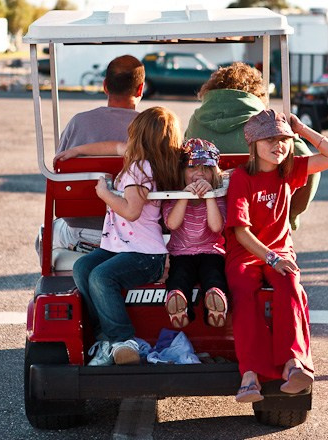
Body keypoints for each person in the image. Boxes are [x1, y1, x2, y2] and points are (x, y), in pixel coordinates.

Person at [225, 109, 328, 403]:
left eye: (283, 140)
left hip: (279, 252)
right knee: (243, 293)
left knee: (291, 286)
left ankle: (294, 365)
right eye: (270, 140)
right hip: (247, 254)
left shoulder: (288, 170)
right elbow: (240, 232)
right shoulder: (242, 177)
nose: (279, 146)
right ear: (253, 144)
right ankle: (249, 374)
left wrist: (302, 129)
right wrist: (271, 259)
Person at [71, 106, 182, 367]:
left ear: (138, 136)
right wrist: (78, 151)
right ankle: (105, 337)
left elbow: (131, 211)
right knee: (83, 267)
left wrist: (105, 194)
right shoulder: (150, 160)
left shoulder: (140, 170)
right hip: (121, 247)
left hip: (145, 255)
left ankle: (123, 340)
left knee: (101, 276)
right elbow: (113, 146)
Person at [185, 62, 320, 231]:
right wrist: (291, 213)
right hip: (259, 214)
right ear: (257, 93)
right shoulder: (264, 122)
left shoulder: (195, 121)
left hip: (204, 214)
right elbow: (310, 167)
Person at [50, 55, 146, 252]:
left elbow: (58, 173)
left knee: (44, 234)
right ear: (140, 88)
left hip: (83, 230)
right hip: (138, 230)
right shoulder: (153, 128)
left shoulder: (79, 122)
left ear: (105, 86)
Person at [162, 138, 229, 329]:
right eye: (193, 168)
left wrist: (209, 196)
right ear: (182, 172)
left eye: (206, 169)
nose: (200, 173)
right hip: (181, 253)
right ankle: (179, 309)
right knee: (179, 277)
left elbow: (216, 227)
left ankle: (216, 307)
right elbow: (172, 224)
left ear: (213, 173)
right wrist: (185, 196)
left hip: (211, 252)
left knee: (214, 276)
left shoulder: (217, 196)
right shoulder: (174, 196)